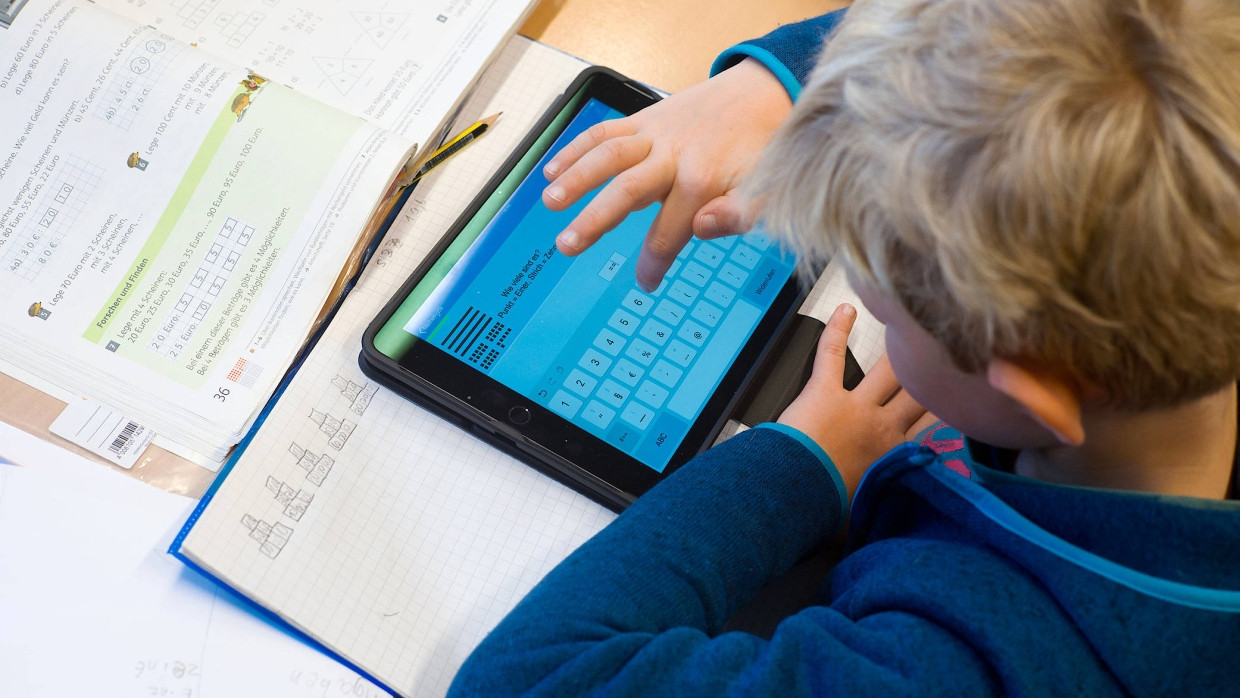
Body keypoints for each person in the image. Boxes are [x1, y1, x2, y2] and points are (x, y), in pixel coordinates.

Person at [449, 0, 1240, 695]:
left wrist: (804, 465)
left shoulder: (974, 663)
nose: (863, 307)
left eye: (891, 314)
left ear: (1029, 392)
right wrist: (770, 89)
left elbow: (527, 680)